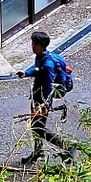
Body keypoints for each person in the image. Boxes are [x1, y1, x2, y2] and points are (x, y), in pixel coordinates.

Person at [20, 30, 74, 163]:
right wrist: (26, 73)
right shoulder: (40, 57)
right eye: (33, 43)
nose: (33, 46)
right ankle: (38, 152)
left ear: (42, 45)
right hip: (37, 98)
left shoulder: (48, 64)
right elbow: (37, 69)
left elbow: (49, 86)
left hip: (42, 101)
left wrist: (44, 105)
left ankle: (67, 146)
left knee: (38, 128)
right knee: (35, 127)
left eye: (35, 44)